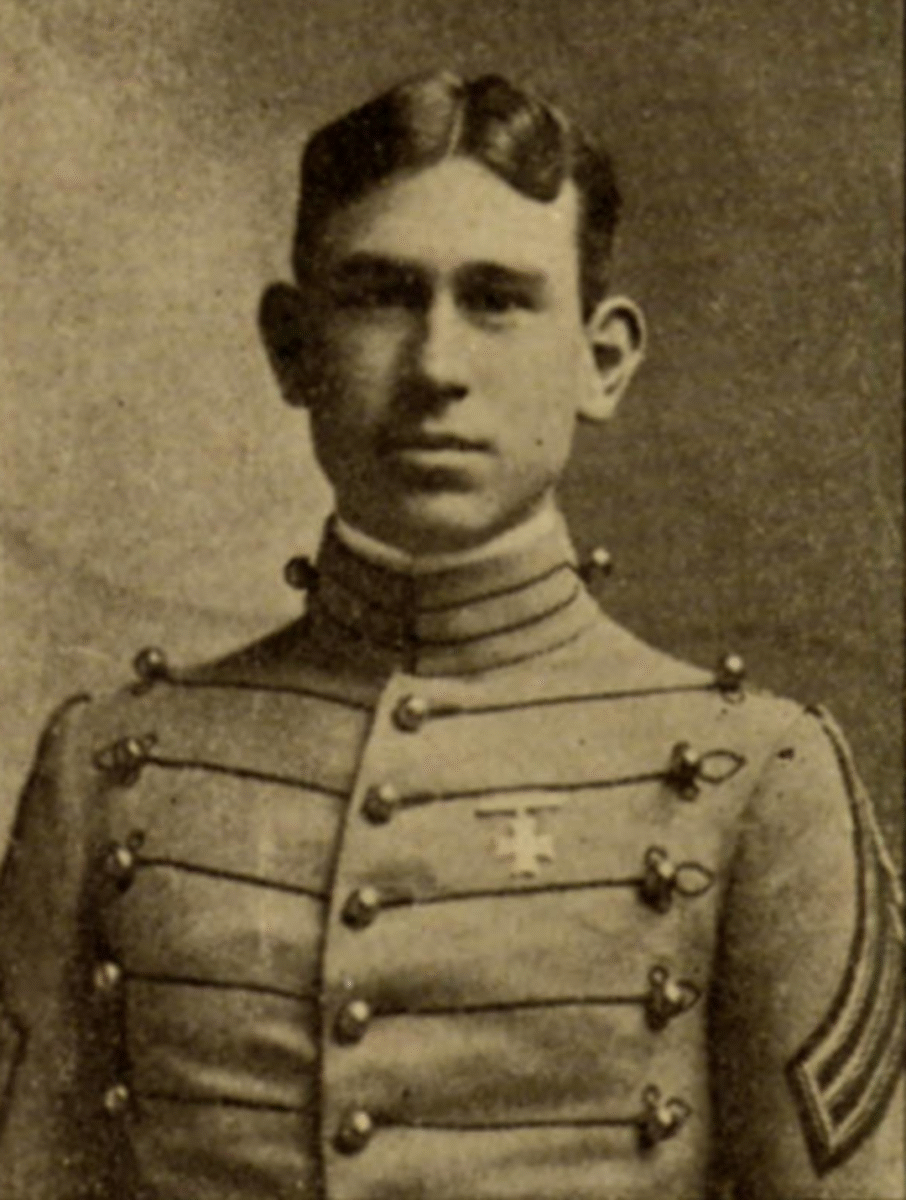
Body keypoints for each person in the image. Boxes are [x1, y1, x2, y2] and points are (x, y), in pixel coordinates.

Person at [0, 70, 902, 1200]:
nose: (436, 369)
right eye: (378, 296)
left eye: (498, 299)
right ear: (291, 346)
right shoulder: (105, 772)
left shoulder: (758, 782)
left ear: (602, 359)